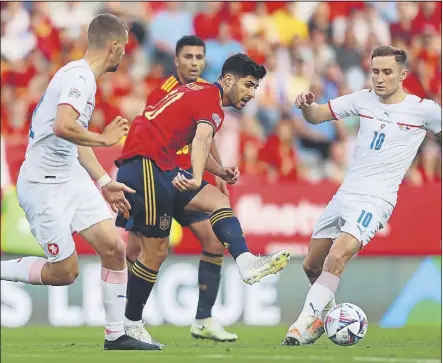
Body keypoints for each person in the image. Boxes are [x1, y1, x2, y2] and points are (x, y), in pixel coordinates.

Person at [0, 14, 159, 351]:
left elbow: (73, 140)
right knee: (65, 273)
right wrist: (104, 139)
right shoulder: (79, 77)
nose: (124, 56)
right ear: (113, 46)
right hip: (43, 184)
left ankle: (116, 335)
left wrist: (102, 181)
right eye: (124, 49)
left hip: (69, 174)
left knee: (114, 249)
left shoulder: (83, 77)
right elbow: (63, 125)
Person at [115, 53, 291, 345]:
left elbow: (199, 140)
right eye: (248, 85)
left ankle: (246, 262)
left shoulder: (201, 94)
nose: (251, 93)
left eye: (255, 88)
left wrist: (218, 170)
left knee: (217, 202)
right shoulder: (212, 103)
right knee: (154, 253)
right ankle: (129, 325)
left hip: (161, 165)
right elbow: (200, 139)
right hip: (145, 163)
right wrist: (197, 177)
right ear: (228, 79)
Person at [283, 45, 442, 346]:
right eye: (375, 71)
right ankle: (321, 319)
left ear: (403, 74)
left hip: (376, 200)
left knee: (337, 255)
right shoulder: (363, 98)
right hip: (346, 193)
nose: (379, 78)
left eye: (387, 72)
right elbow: (317, 116)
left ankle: (301, 324)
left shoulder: (425, 110)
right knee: (311, 266)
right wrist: (306, 105)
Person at [124, 35, 237, 342]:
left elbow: (206, 137)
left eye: (199, 57)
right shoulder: (163, 92)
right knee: (136, 250)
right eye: (188, 57)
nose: (194, 62)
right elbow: (151, 132)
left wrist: (219, 174)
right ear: (176, 60)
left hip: (187, 179)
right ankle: (125, 317)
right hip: (158, 177)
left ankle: (204, 318)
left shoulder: (204, 93)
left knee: (214, 242)